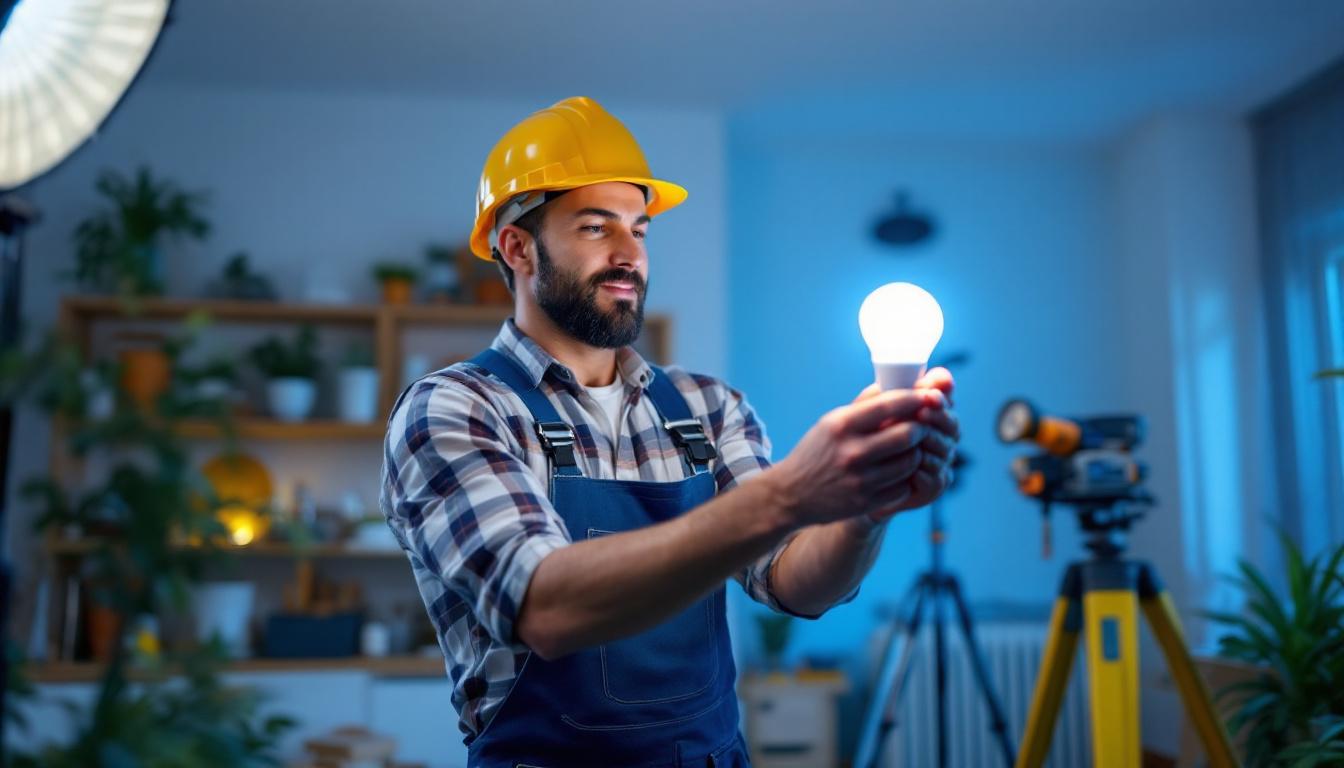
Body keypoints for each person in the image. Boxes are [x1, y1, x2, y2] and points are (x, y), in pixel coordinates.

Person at [379, 96, 960, 768]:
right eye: (597, 229)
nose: (630, 255)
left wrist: (862, 505)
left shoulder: (705, 406)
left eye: (641, 230)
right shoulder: (454, 410)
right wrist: (789, 494)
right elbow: (547, 606)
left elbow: (796, 584)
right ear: (518, 248)